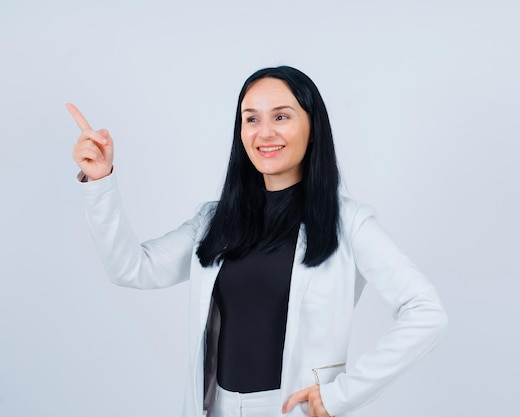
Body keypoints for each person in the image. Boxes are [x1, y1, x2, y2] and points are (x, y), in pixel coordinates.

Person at [69, 66, 448, 417]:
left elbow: (425, 311)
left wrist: (340, 395)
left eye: (281, 117)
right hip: (216, 407)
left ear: (312, 127)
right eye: (251, 119)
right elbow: (131, 269)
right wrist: (100, 182)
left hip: (288, 408)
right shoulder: (215, 220)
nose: (264, 133)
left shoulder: (348, 223)